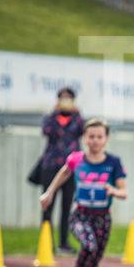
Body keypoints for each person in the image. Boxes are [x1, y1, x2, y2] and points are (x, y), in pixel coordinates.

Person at [39, 119, 127, 267]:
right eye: (91, 136)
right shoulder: (76, 159)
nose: (95, 140)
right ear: (85, 138)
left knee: (94, 261)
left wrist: (114, 191)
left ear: (106, 139)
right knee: (89, 245)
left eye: (99, 137)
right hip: (80, 215)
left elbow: (124, 192)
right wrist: (49, 193)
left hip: (102, 218)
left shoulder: (114, 162)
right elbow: (64, 172)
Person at [39, 87, 84, 254]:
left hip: (71, 168)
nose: (65, 101)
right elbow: (45, 130)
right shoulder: (50, 118)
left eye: (68, 98)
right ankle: (46, 243)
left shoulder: (77, 119)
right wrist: (55, 113)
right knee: (47, 204)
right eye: (62, 98)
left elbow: (84, 131)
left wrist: (77, 114)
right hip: (50, 165)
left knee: (67, 207)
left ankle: (64, 243)